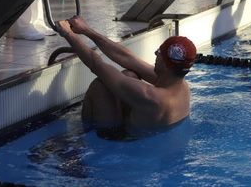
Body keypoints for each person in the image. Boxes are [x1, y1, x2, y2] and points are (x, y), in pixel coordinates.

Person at [56, 15, 196, 130]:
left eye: (159, 52)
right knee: (130, 74)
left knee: (101, 85)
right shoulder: (181, 85)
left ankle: (82, 135)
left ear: (166, 65)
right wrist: (87, 30)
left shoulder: (152, 97)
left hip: (118, 142)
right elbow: (129, 59)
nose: (155, 54)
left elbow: (96, 64)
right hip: (144, 134)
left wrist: (67, 33)